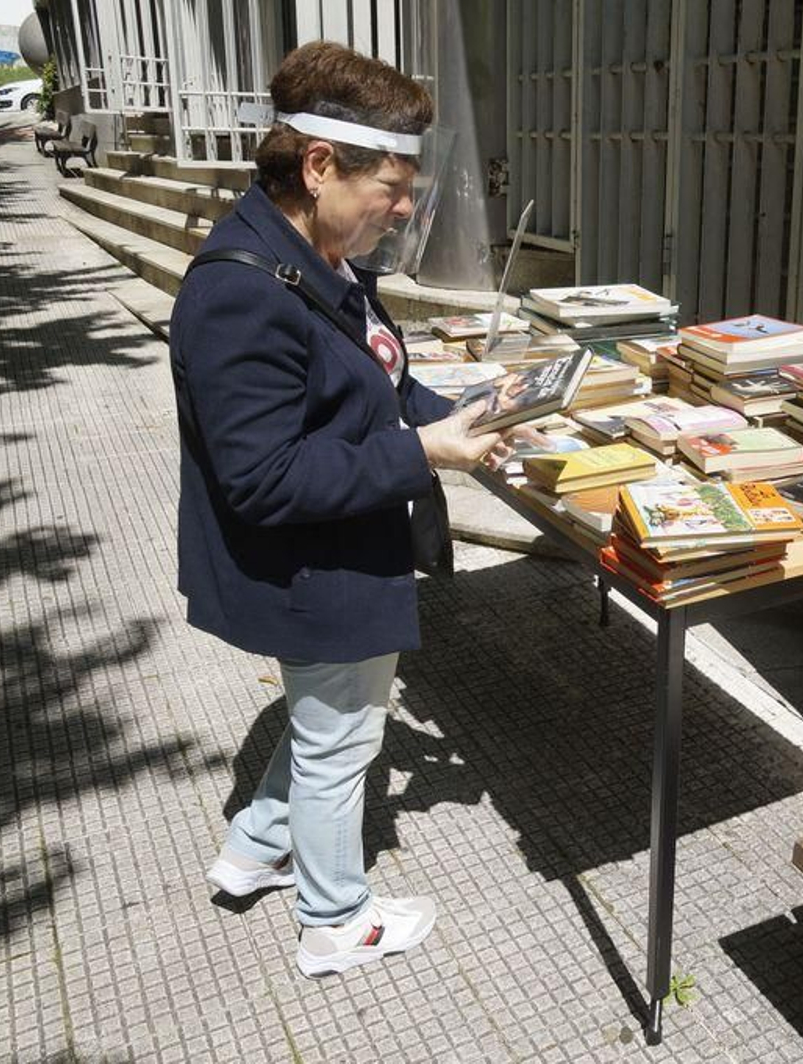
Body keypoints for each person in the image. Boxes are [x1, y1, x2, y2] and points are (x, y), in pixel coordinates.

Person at [169, 41, 511, 978]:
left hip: (340, 554)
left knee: (329, 718)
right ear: (319, 166)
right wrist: (421, 453)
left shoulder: (321, 256)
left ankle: (252, 849)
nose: (404, 207)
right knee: (341, 736)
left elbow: (378, 383)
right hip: (308, 569)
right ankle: (335, 920)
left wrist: (461, 413)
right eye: (392, 186)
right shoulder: (239, 292)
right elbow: (264, 476)